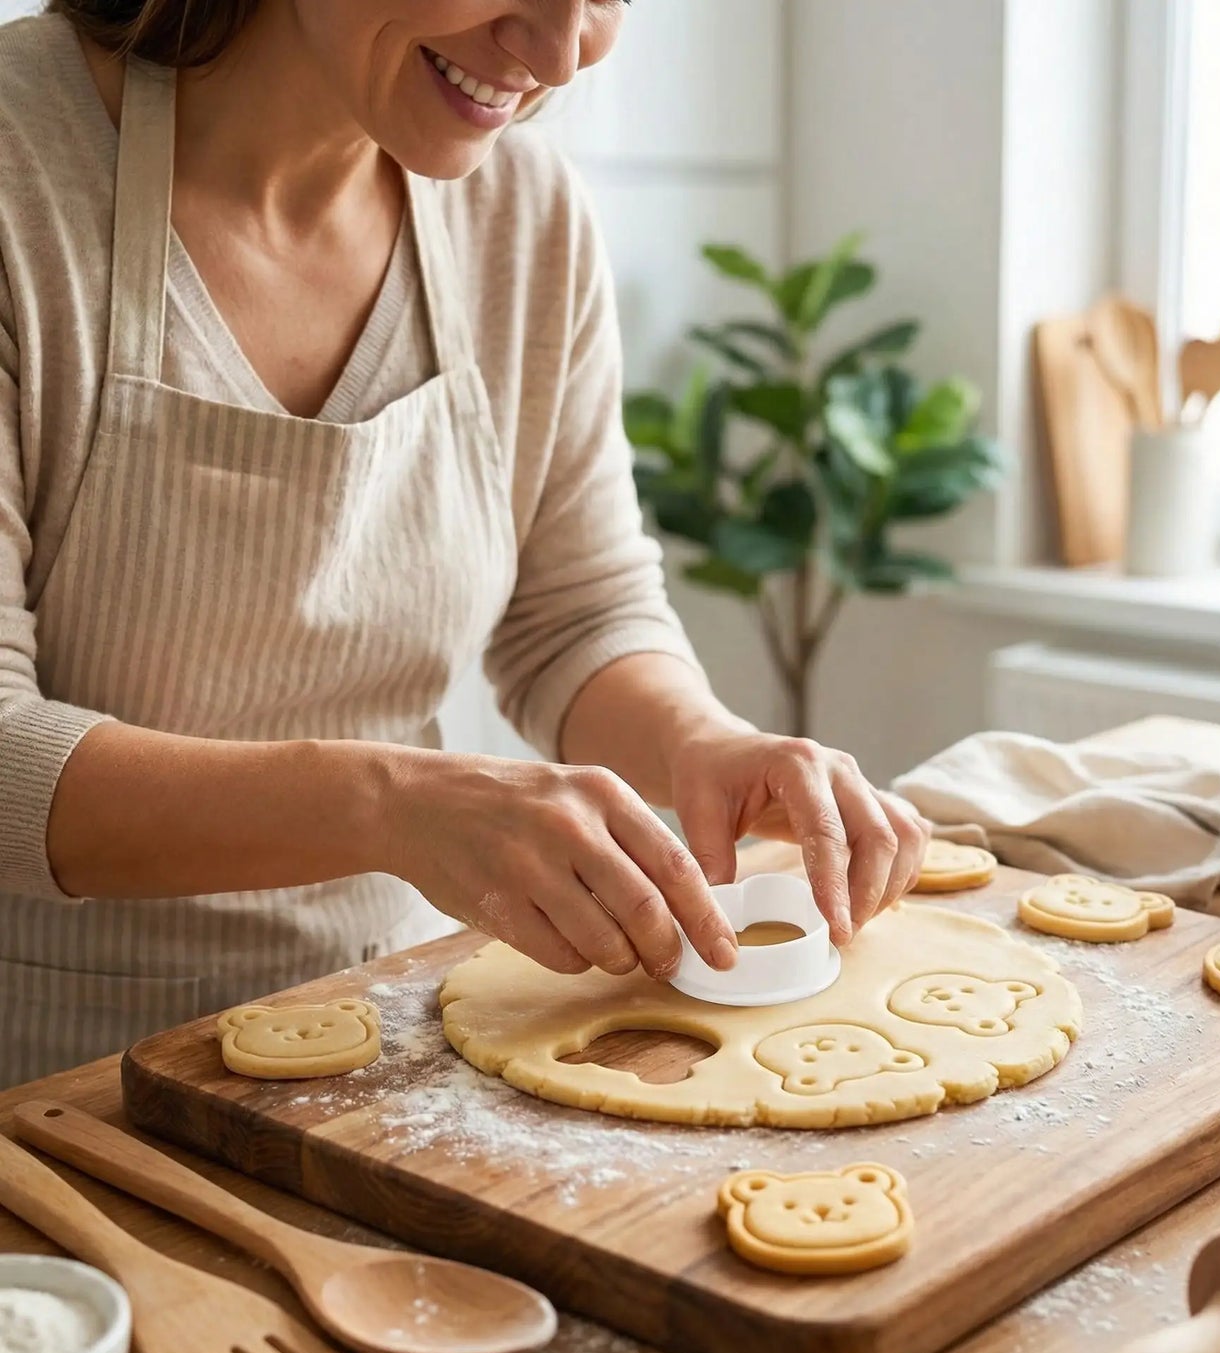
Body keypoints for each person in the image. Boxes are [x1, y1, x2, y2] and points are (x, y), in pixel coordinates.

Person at [0, 0, 928, 1089]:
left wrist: (700, 742)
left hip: (383, 1045)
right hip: (50, 1100)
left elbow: (574, 615)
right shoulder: (23, 174)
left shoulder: (524, 217)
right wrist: (389, 804)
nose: (558, 51)